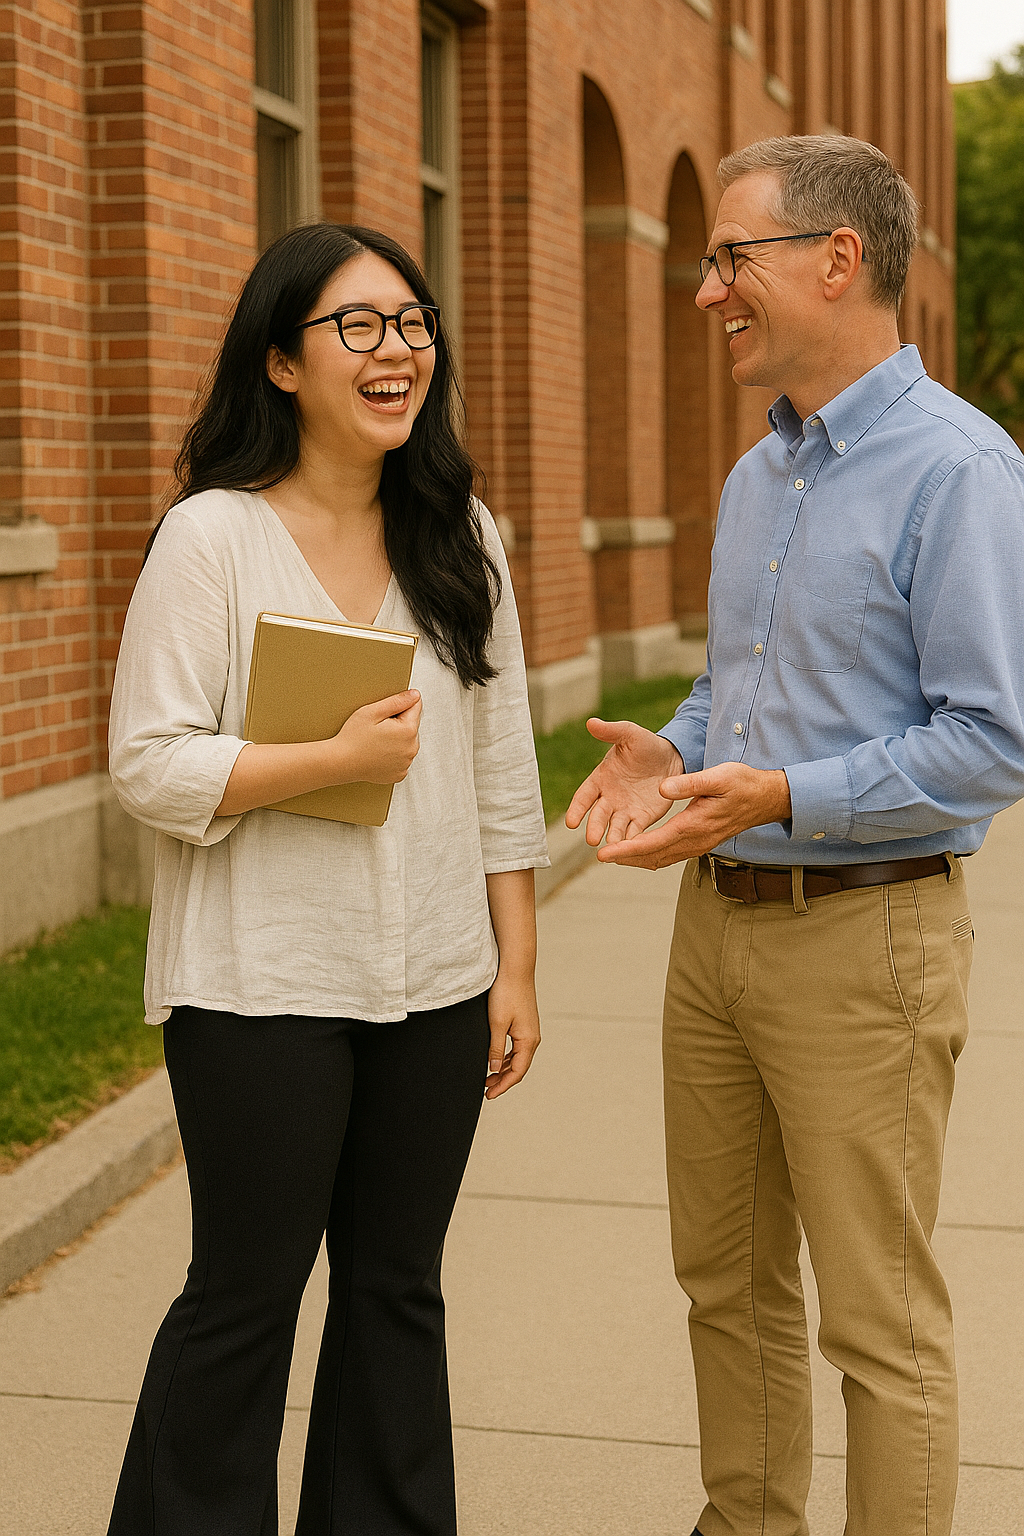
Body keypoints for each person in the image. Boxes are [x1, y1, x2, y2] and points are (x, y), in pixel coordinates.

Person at [567, 135, 1024, 1536]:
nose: (707, 291)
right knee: (726, 1285)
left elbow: (993, 739)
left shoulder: (963, 473)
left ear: (838, 260)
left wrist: (787, 797)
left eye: (729, 258)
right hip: (720, 937)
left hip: (869, 940)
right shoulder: (762, 475)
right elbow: (738, 682)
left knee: (877, 1327)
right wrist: (682, 753)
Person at [105, 222, 549, 1535]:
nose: (395, 348)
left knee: (397, 1291)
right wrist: (323, 759)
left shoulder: (463, 535)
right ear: (282, 363)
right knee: (246, 1293)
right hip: (260, 986)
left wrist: (514, 963)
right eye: (357, 325)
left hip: (437, 981)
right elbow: (147, 762)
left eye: (411, 324)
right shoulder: (213, 538)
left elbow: (502, 764)